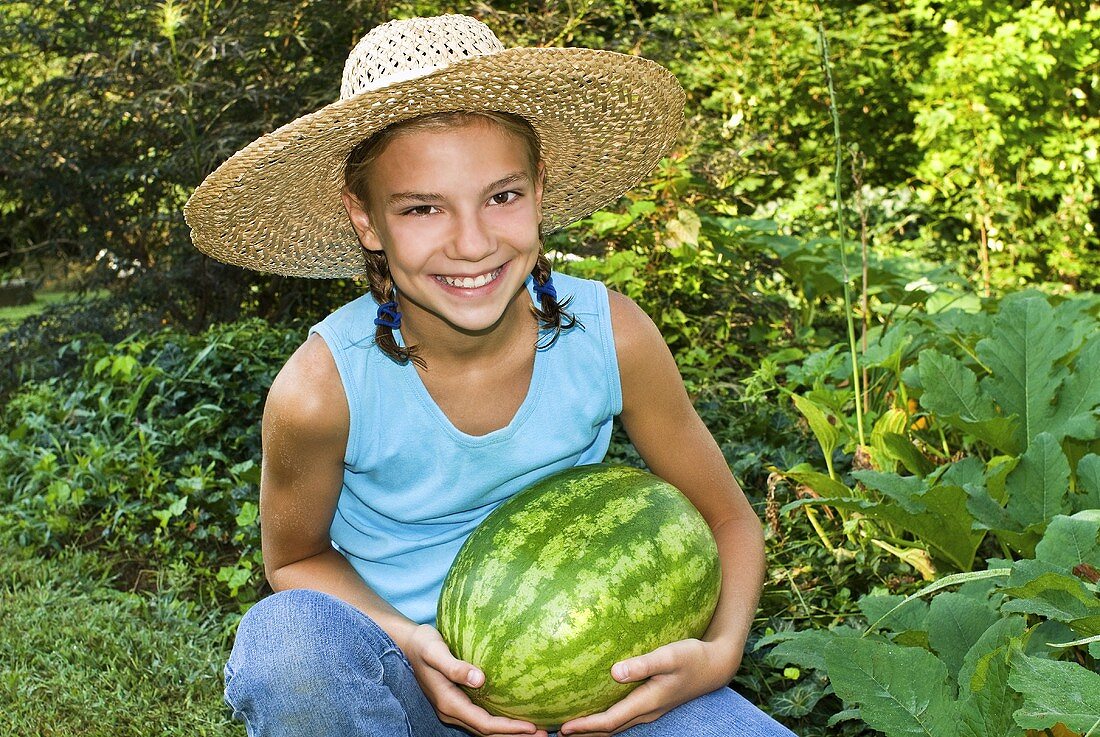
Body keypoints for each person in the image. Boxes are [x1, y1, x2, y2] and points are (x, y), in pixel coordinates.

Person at [185, 13, 797, 737]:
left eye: (500, 196)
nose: (471, 243)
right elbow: (295, 559)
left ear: (539, 191)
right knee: (288, 645)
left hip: (602, 698)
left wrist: (719, 654)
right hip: (405, 690)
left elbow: (728, 518)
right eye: (421, 207)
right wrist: (409, 644)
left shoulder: (612, 335)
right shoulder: (322, 390)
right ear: (367, 219)